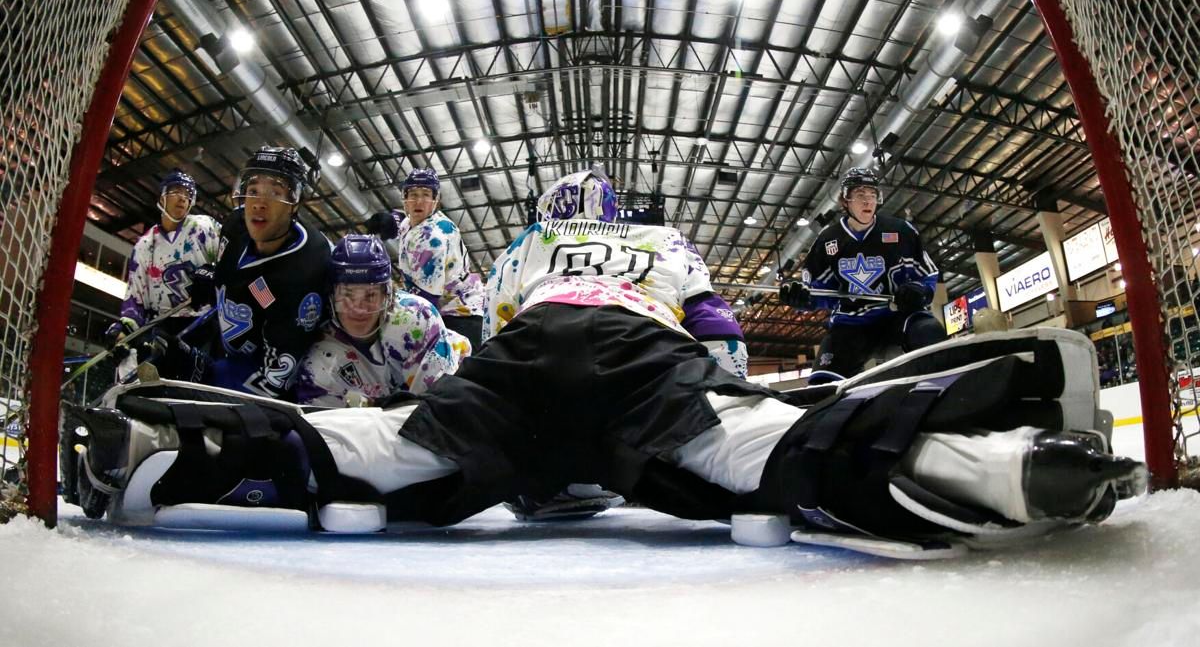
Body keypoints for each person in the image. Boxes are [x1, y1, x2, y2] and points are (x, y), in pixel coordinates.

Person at [63, 170, 1145, 559]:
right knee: (779, 454)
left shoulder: (530, 249)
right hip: (641, 362)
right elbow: (718, 326)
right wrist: (726, 375)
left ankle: (177, 445)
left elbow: (486, 335)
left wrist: (488, 392)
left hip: (534, 359)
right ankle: (996, 459)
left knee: (373, 452)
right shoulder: (660, 243)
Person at [152, 146, 331, 400]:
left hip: (263, 377)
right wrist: (214, 280)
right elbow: (249, 282)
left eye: (275, 193)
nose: (259, 203)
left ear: (295, 203)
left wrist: (206, 373)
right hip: (229, 346)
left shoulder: (303, 269)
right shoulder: (235, 225)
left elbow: (275, 384)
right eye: (253, 190)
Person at [779, 166, 946, 379]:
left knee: (931, 335)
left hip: (898, 314)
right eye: (860, 195)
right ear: (845, 201)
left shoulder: (900, 231)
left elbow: (927, 274)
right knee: (823, 386)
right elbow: (817, 291)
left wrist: (920, 291)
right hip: (850, 324)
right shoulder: (828, 239)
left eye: (872, 195)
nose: (868, 201)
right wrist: (802, 298)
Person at [294, 234, 470, 407]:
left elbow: (437, 407)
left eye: (370, 295)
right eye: (347, 295)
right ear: (331, 297)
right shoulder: (317, 360)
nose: (358, 308)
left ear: (387, 295)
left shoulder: (418, 319)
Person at [366, 168, 485, 351]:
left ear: (435, 200)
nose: (419, 201)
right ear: (404, 198)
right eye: (413, 194)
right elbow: (401, 222)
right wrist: (388, 219)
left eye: (426, 195)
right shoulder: (416, 220)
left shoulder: (432, 240)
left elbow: (426, 301)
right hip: (455, 307)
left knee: (454, 373)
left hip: (460, 316)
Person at [106, 169, 220, 347]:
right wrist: (124, 332)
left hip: (205, 321)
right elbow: (136, 300)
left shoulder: (204, 227)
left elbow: (233, 258)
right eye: (176, 191)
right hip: (163, 327)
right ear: (162, 199)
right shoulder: (144, 245)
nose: (182, 197)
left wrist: (214, 274)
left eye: (187, 194)